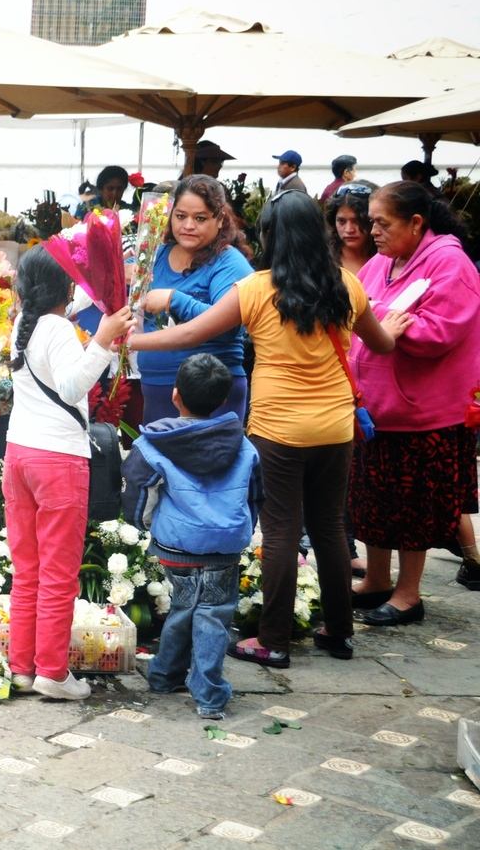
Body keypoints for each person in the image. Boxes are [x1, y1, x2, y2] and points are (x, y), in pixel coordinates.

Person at [130, 190, 410, 668]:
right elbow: (380, 344)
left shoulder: (257, 289)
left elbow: (191, 333)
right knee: (329, 530)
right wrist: (396, 329)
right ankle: (340, 634)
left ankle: (273, 641)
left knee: (280, 531)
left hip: (278, 429)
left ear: (271, 238)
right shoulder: (347, 284)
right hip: (336, 429)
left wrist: (130, 338)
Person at [5, 245, 134, 700]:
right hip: (58, 460)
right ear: (64, 286)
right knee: (58, 573)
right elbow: (72, 385)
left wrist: (108, 302)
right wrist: (102, 341)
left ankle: (21, 667)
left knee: (27, 570)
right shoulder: (58, 328)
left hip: (19, 455)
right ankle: (53, 674)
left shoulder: (24, 322)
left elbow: (71, 306)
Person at [349, 182, 480, 621]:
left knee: (413, 508)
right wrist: (384, 320)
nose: (374, 232)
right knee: (374, 501)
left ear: (416, 223)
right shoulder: (382, 262)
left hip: (423, 413)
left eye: (382, 223)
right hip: (377, 409)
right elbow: (359, 311)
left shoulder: (450, 262)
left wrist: (384, 321)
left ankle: (408, 595)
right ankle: (377, 580)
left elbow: (440, 331)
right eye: (372, 222)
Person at [124, 354, 261, 720]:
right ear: (222, 400)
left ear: (174, 395)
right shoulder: (244, 446)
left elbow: (139, 495)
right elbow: (254, 497)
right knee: (214, 614)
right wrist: (240, 528)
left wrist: (145, 524)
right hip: (225, 547)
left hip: (177, 545)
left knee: (185, 605)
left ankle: (165, 675)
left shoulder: (154, 445)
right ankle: (209, 694)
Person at [138, 176, 253, 424]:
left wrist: (174, 299)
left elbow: (226, 324)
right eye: (180, 216)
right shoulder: (156, 254)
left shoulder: (229, 262)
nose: (188, 225)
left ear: (220, 220)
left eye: (200, 218)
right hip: (156, 388)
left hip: (212, 394)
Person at [325, 183, 376, 277]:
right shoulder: (324, 261)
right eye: (341, 221)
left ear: (371, 220)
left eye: (357, 221)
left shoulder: (387, 259)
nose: (349, 230)